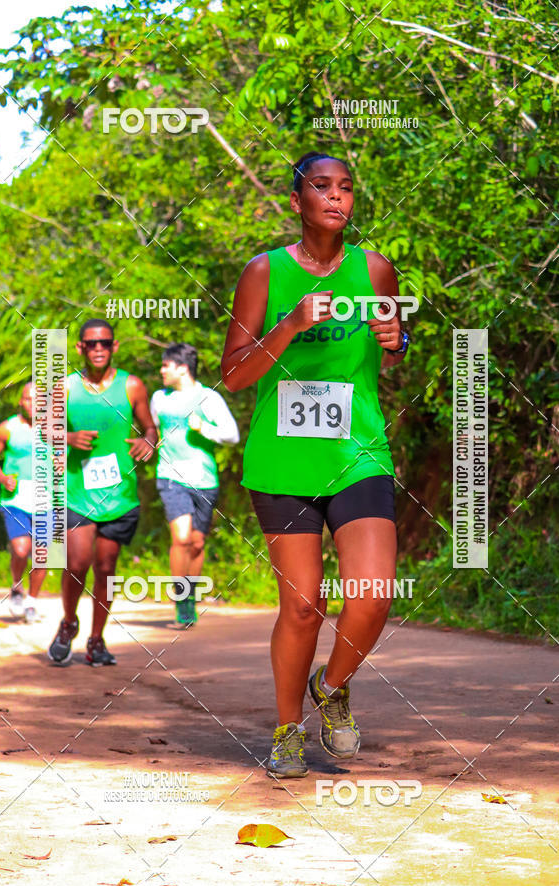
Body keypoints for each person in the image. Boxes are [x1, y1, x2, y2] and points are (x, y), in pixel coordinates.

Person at [221, 151, 410, 778]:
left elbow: (389, 351)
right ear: (297, 201)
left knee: (374, 594)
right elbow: (235, 375)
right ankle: (284, 730)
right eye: (321, 187)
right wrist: (292, 323)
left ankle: (330, 688)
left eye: (346, 188)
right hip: (284, 461)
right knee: (303, 606)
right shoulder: (263, 272)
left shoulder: (375, 270)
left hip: (357, 454)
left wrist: (399, 340)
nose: (336, 197)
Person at [47, 319, 157, 666]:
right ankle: (68, 622)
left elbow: (150, 427)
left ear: (114, 347)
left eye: (104, 343)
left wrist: (148, 441)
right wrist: (67, 438)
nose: (98, 349)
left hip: (119, 494)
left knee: (106, 567)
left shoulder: (132, 385)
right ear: (80, 347)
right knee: (77, 561)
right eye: (91, 344)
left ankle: (97, 640)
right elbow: (47, 429)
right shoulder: (65, 387)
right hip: (77, 492)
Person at [150, 342, 239, 627]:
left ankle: (189, 596)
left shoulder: (208, 398)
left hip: (204, 479)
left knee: (198, 544)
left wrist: (205, 428)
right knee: (182, 538)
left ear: (182, 368)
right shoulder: (158, 399)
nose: (162, 370)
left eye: (166, 365)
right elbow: (153, 431)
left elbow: (232, 435)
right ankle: (181, 599)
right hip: (170, 475)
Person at [0, 382, 47, 622]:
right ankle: (17, 586)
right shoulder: (7, 428)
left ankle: (32, 601)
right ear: (21, 402)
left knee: (42, 553)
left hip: (47, 499)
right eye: (28, 399)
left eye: (39, 400)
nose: (33, 404)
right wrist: (1, 477)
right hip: (16, 499)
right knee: (21, 549)